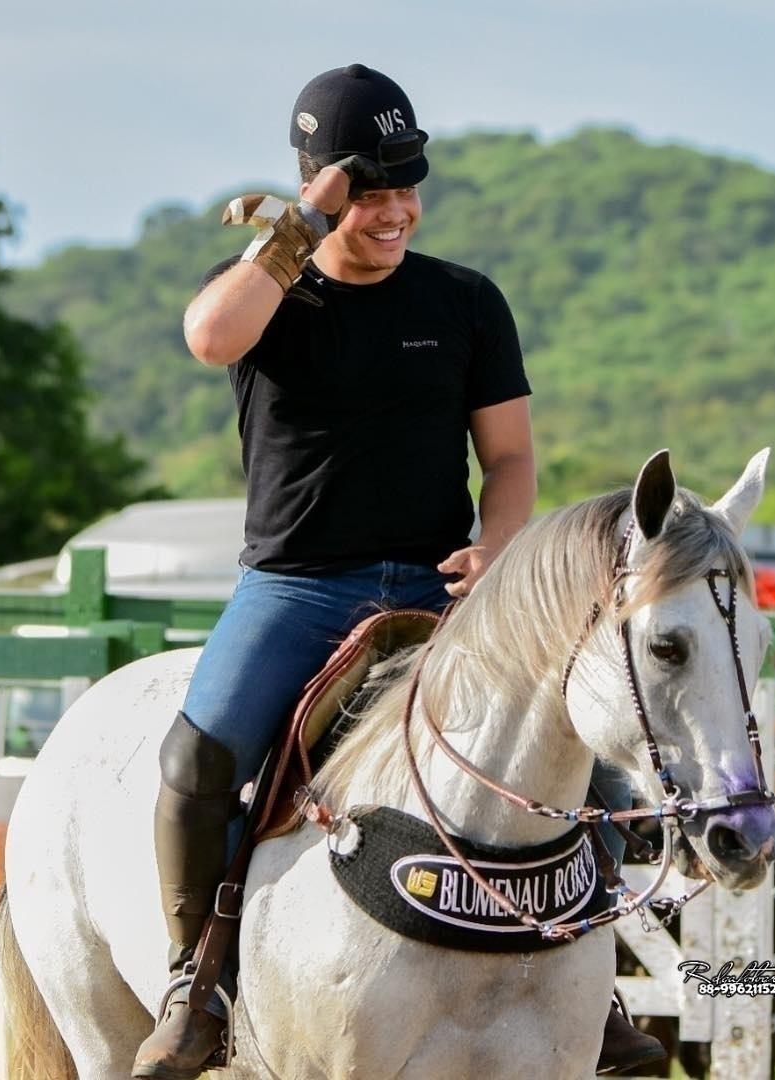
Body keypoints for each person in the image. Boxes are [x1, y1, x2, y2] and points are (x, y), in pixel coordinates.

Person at [132, 64, 660, 1079]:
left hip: (440, 584)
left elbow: (509, 460)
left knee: (583, 757)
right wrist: (298, 225)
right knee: (195, 766)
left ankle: (599, 990)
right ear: (320, 185)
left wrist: (500, 549)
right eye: (371, 190)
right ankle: (196, 982)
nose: (397, 210)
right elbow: (209, 339)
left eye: (409, 185)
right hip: (296, 585)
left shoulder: (464, 300)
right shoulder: (264, 290)